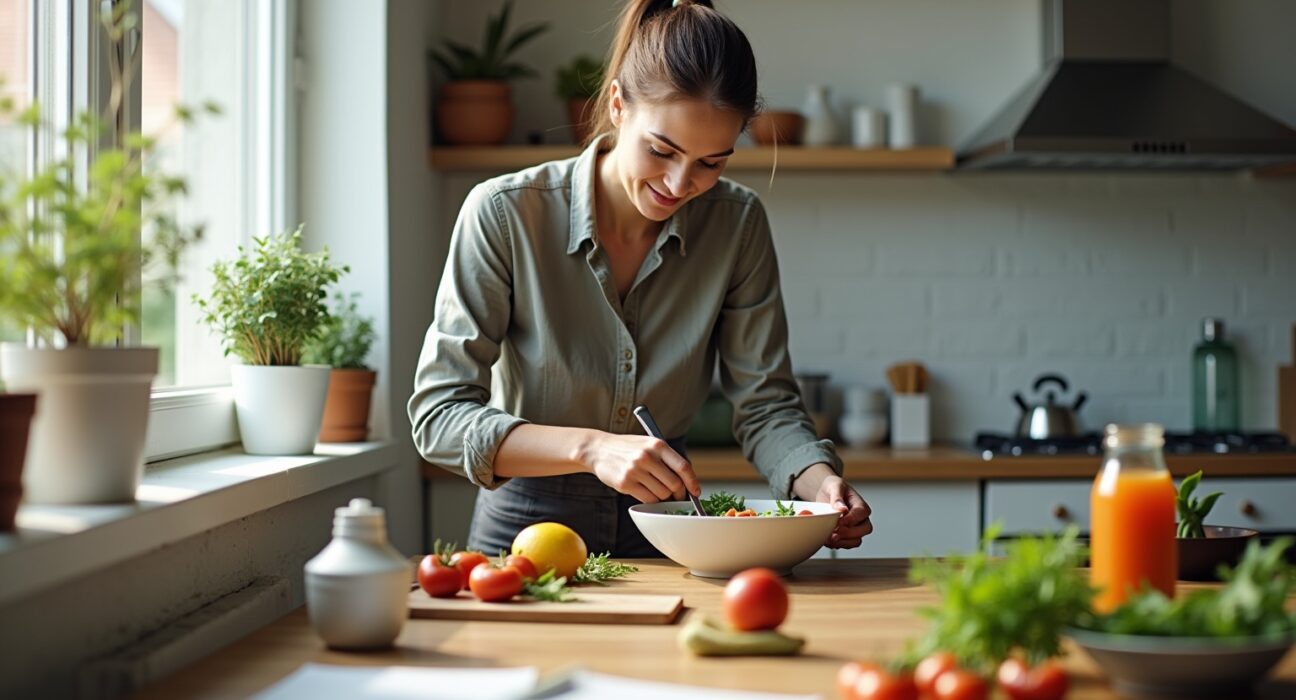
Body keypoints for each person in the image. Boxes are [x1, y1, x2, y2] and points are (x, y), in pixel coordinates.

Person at [409, 0, 873, 557]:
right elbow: (439, 415)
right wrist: (591, 449)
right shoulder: (504, 213)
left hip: (670, 523)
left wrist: (817, 481)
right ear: (616, 105)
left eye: (712, 162)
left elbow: (765, 404)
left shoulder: (736, 223)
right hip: (525, 526)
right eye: (662, 150)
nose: (680, 183)